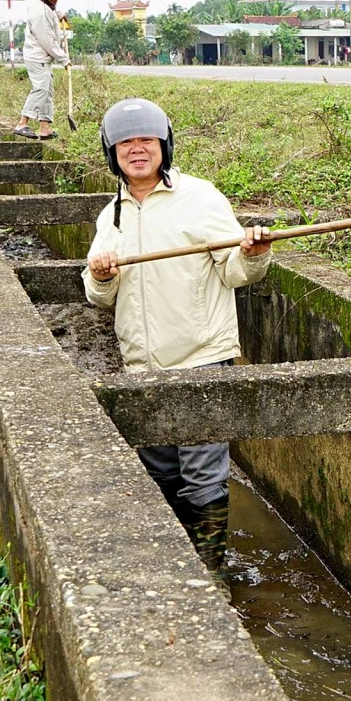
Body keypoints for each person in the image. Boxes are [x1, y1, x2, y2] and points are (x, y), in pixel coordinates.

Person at [83, 98, 272, 571]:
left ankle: (210, 572)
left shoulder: (202, 198)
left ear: (164, 145)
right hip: (143, 365)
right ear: (113, 154)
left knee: (204, 473)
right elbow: (98, 298)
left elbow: (234, 272)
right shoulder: (112, 215)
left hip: (201, 356)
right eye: (126, 143)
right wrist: (101, 276)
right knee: (160, 469)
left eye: (146, 140)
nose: (137, 149)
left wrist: (253, 251)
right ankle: (174, 563)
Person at [17, 0, 70, 139]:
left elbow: (50, 14)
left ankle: (45, 127)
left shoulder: (46, 6)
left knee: (47, 91)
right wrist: (64, 59)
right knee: (40, 89)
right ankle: (22, 123)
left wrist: (59, 15)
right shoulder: (39, 12)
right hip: (37, 57)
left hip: (43, 58)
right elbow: (48, 41)